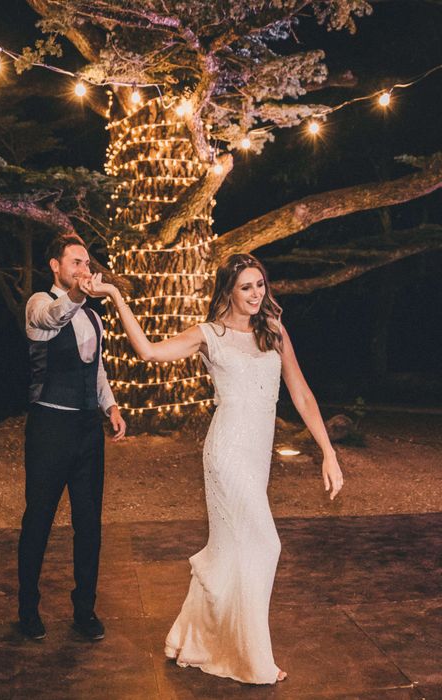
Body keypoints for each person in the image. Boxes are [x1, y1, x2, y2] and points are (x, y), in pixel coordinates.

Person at [85, 253, 343, 684]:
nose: (256, 294)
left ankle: (194, 638)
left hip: (257, 455)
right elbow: (148, 352)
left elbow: (302, 395)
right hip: (225, 454)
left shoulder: (275, 331)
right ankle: (253, 660)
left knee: (233, 554)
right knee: (266, 545)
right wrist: (113, 294)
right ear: (228, 290)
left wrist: (328, 452)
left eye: (260, 284)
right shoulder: (210, 335)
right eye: (246, 287)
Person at [17, 233, 126, 642]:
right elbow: (53, 319)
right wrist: (78, 296)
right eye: (75, 262)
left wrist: (110, 407)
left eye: (86, 263)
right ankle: (28, 609)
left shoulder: (94, 317)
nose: (84, 269)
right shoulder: (39, 304)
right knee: (39, 521)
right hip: (49, 427)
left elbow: (96, 369)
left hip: (86, 431)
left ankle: (85, 610)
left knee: (89, 524)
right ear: (55, 266)